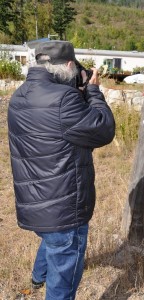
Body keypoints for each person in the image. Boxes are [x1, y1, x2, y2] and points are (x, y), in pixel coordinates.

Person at [7, 40, 115, 300]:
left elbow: (57, 129)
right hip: (64, 207)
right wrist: (94, 92)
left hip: (36, 201)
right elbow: (103, 129)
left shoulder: (19, 95)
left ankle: (37, 278)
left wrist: (78, 91)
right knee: (63, 269)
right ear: (68, 65)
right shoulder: (64, 99)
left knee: (51, 238)